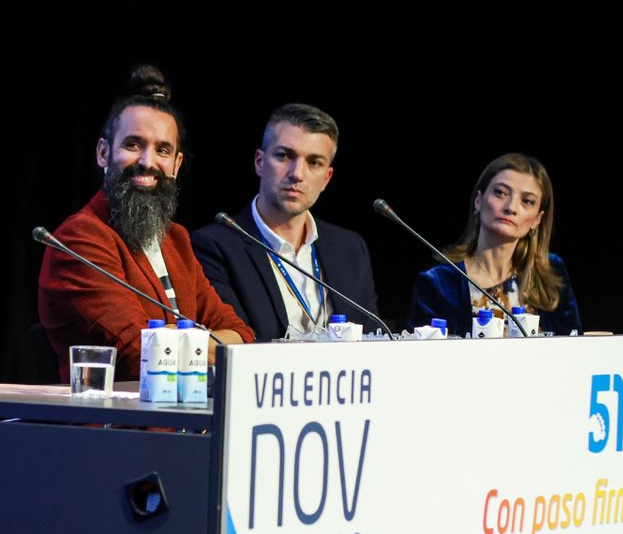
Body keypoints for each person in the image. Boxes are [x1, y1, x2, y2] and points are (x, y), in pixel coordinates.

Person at [37, 65, 254, 381]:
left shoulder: (175, 240)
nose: (147, 161)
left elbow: (243, 337)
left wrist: (171, 339)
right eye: (133, 144)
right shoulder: (80, 239)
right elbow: (138, 354)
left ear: (176, 165)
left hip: (184, 419)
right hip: (118, 426)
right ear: (103, 152)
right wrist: (202, 337)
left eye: (162, 150)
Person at [190, 103, 379, 341]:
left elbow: (372, 339)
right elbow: (237, 343)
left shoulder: (350, 248)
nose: (297, 173)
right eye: (284, 156)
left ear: (326, 179)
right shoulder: (214, 247)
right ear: (259, 162)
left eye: (314, 162)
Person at [406, 152, 582, 337]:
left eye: (527, 201)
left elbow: (573, 350)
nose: (511, 207)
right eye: (501, 193)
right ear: (479, 201)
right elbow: (421, 359)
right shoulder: (438, 283)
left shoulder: (551, 272)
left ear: (537, 219)